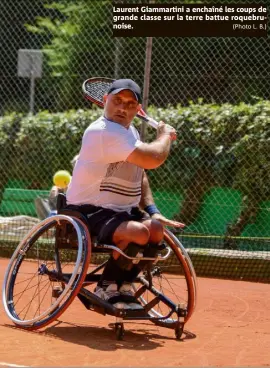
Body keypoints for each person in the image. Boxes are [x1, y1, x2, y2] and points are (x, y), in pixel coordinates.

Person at [66, 78, 184, 309]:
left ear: (138, 110)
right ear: (105, 101)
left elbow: (140, 173)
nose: (122, 107)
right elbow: (153, 158)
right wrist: (165, 136)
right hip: (89, 212)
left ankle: (125, 285)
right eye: (117, 100)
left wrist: (153, 211)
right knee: (139, 233)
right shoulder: (102, 131)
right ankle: (106, 286)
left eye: (130, 104)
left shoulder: (129, 133)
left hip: (122, 212)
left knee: (156, 229)